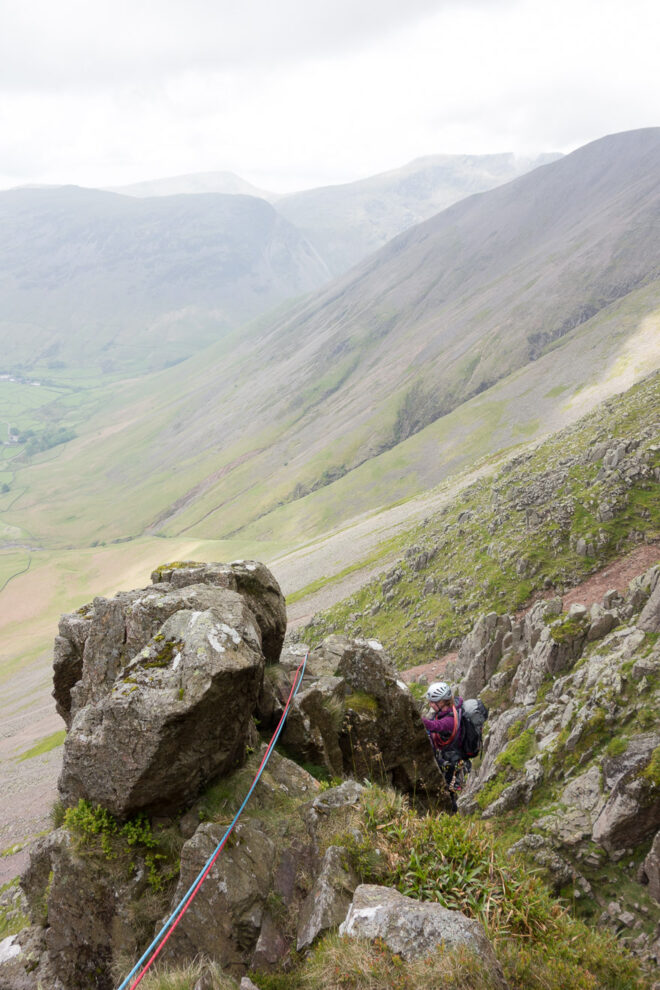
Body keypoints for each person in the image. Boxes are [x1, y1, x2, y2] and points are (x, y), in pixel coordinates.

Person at [421, 681, 471, 814]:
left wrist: (417, 718)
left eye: (433, 702)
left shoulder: (450, 720)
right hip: (449, 758)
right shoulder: (448, 710)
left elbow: (435, 726)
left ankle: (452, 816)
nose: (430, 704)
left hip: (453, 764)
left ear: (442, 702)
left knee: (450, 792)